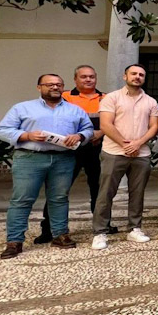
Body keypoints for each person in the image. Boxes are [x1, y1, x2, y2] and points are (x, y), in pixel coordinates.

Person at [0, 75, 94, 259]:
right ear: (39, 87)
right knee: (22, 199)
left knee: (59, 198)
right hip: (30, 158)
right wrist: (27, 135)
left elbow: (88, 129)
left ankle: (60, 235)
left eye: (58, 84)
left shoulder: (75, 110)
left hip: (63, 159)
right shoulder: (22, 107)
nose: (55, 87)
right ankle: (14, 241)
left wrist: (80, 136)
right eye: (50, 84)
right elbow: (1, 130)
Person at [90, 64, 158, 250]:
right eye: (134, 73)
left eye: (141, 74)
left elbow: (154, 126)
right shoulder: (111, 98)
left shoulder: (151, 101)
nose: (137, 77)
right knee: (106, 193)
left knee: (137, 193)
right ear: (125, 76)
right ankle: (100, 232)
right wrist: (125, 144)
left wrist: (138, 143)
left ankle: (134, 228)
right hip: (114, 151)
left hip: (141, 153)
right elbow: (105, 124)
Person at [37, 64, 107, 244]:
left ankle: (102, 225)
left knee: (99, 189)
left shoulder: (106, 98)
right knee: (58, 189)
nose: (88, 79)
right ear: (75, 79)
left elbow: (112, 121)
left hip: (97, 149)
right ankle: (48, 229)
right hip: (69, 150)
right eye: (83, 77)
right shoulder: (65, 97)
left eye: (91, 76)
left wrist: (99, 133)